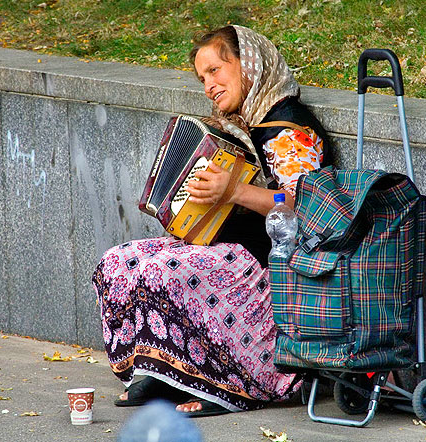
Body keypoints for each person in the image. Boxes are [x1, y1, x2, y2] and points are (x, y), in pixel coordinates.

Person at [91, 25, 330, 417]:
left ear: (249, 65)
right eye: (203, 78)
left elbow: (309, 207)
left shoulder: (288, 130)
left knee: (168, 271)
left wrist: (234, 191)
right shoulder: (241, 124)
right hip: (230, 248)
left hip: (272, 264)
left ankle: (227, 381)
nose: (209, 86)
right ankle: (167, 369)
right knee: (119, 262)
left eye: (217, 70)